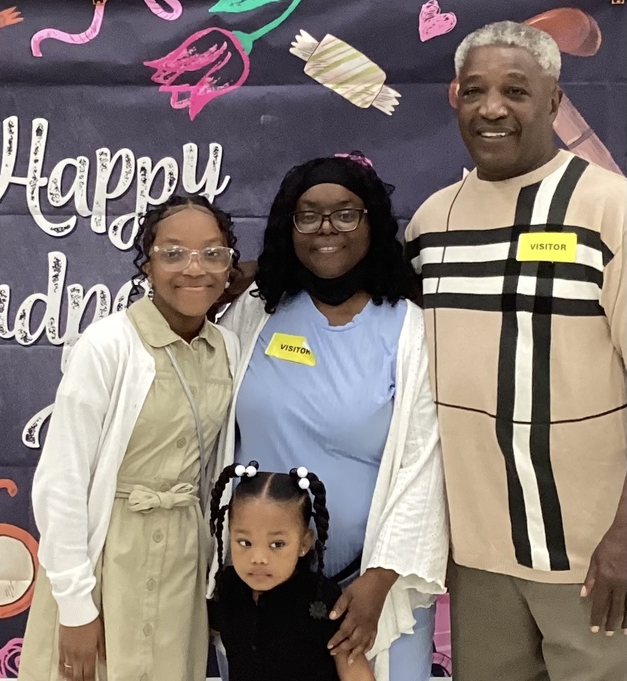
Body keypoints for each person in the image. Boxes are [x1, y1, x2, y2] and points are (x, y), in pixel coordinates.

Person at [404, 20, 627, 681]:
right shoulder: (431, 224)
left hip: (592, 558)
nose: (492, 107)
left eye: (516, 90)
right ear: (453, 98)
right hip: (477, 563)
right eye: (475, 90)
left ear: (554, 102)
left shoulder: (609, 208)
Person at [216, 153, 449, 681]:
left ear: (372, 222)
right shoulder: (257, 311)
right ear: (287, 226)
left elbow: (424, 464)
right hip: (259, 584)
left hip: (367, 597)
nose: (327, 229)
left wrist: (379, 579)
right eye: (309, 215)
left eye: (346, 214)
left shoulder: (409, 329)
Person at [19, 194, 242, 681]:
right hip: (108, 554)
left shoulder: (226, 348)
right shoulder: (107, 347)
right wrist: (77, 606)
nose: (194, 268)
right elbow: (62, 481)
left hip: (183, 555)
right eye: (173, 252)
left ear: (229, 265)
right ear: (147, 263)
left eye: (212, 253)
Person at [208, 460, 377, 681]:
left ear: (304, 543)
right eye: (245, 543)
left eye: (277, 544)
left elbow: (355, 672)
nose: (258, 558)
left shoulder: (323, 600)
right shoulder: (228, 588)